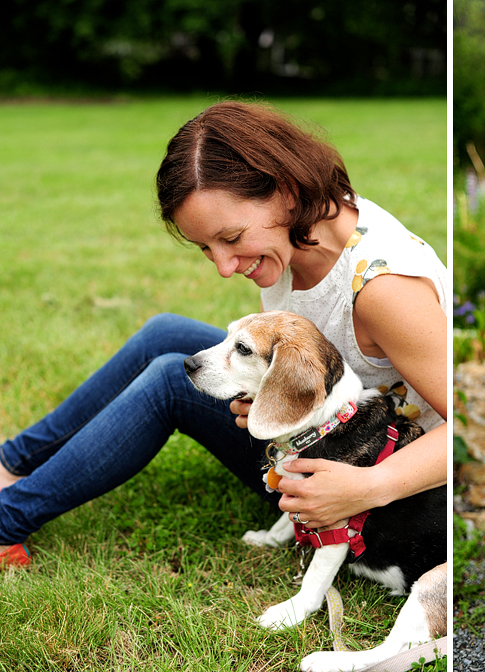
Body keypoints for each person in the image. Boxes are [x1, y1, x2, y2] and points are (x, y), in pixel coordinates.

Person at [0, 101, 448, 569]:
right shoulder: (300, 231)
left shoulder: (384, 290)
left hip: (375, 483)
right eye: (206, 248)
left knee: (171, 382)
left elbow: (468, 430)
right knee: (165, 334)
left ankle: (6, 520)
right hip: (325, 424)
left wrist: (365, 488)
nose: (223, 266)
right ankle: (10, 464)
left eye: (231, 238)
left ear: (285, 189)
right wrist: (267, 395)